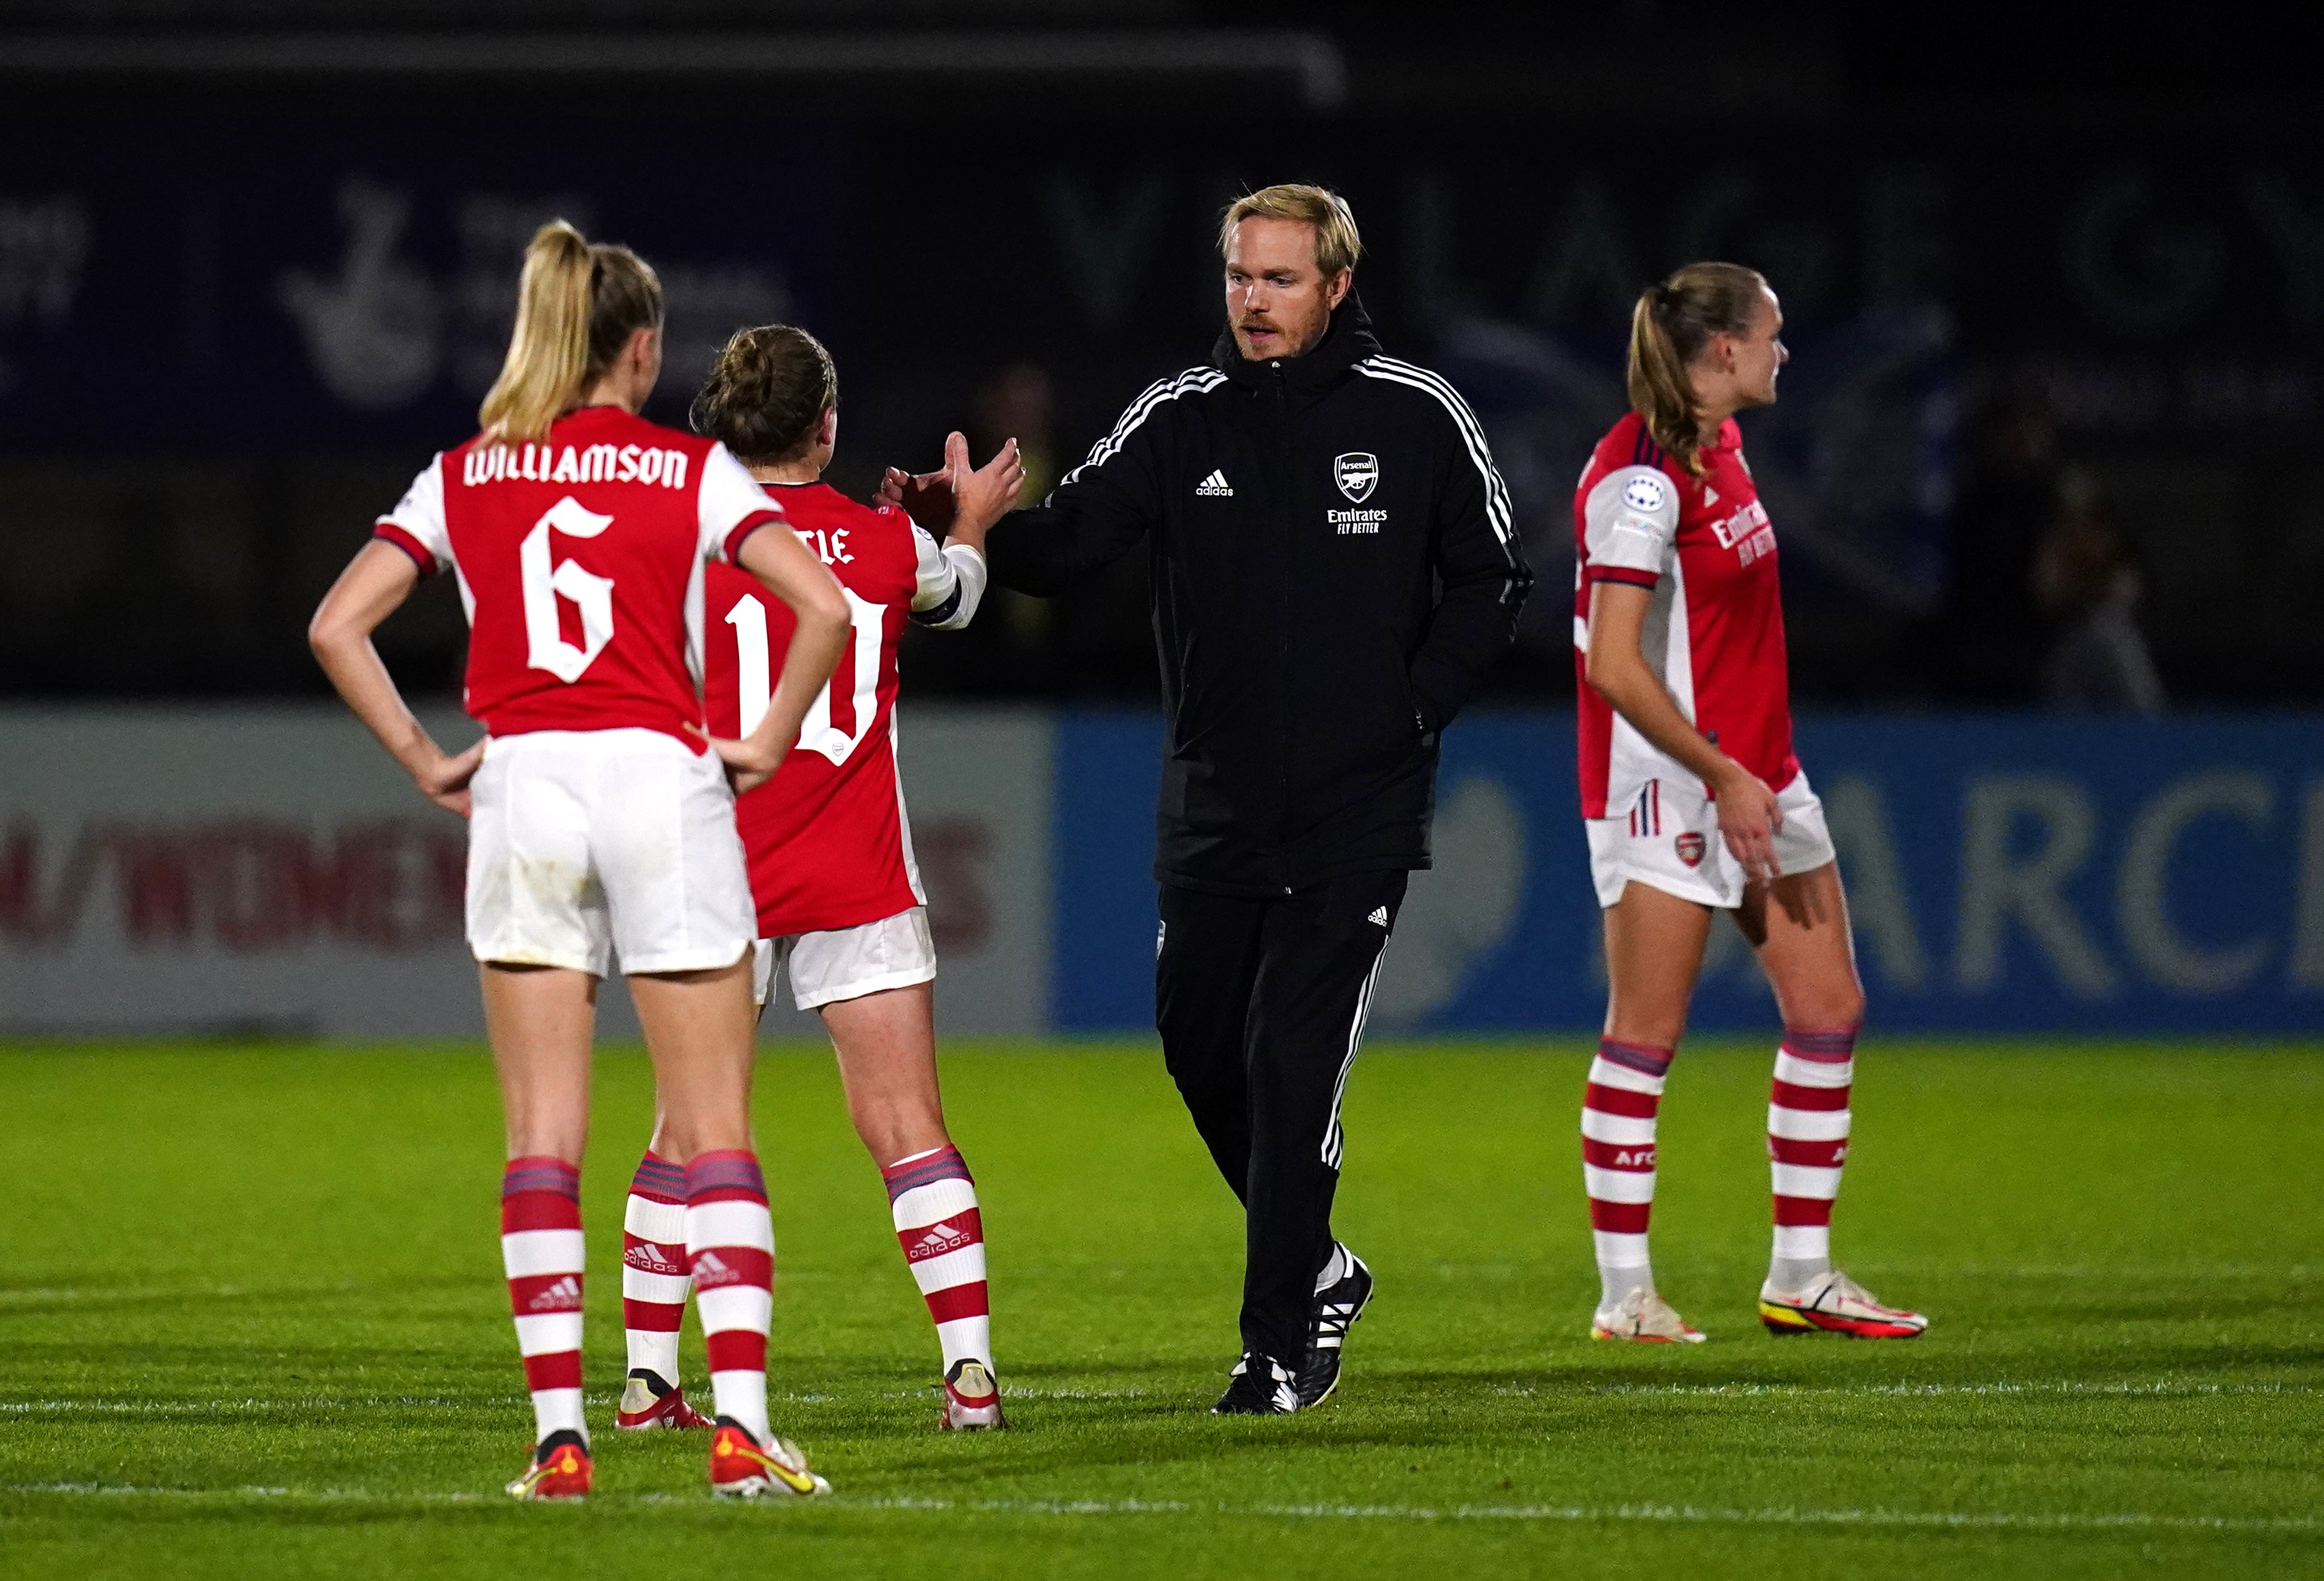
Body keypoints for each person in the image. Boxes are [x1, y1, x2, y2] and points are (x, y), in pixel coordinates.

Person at [895, 184, 1531, 1413]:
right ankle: (1322, 1267)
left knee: (1292, 1064)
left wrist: (1413, 706)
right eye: (1240, 277)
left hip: (1358, 806)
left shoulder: (1415, 415)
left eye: (1280, 279)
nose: (1252, 300)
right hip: (1216, 806)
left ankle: (1276, 1344)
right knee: (1198, 1048)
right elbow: (1071, 543)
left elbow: (1491, 575)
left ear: (1336, 286)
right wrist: (965, 527)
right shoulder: (1180, 419)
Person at [308, 221, 852, 1500]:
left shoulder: (464, 474)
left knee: (541, 1139)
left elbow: (337, 624)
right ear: (644, 344)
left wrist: (425, 758)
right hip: (662, 780)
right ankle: (741, 1429)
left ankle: (560, 1439)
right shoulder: (690, 472)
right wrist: (766, 740)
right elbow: (821, 607)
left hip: (526, 786)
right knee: (713, 1125)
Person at [609, 323, 1023, 1436]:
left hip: (710, 870)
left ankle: (651, 1385)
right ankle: (971, 1379)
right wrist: (966, 517)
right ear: (827, 425)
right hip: (855, 869)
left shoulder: (669, 541)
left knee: (683, 1130)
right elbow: (964, 592)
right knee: (907, 1126)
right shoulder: (882, 546)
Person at [1572, 261, 1928, 1344]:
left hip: (1762, 779)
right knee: (1644, 1035)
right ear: (1720, 350)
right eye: (1771, 335)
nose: (1783, 352)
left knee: (1828, 1012)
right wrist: (1719, 773)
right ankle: (1625, 1296)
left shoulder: (1719, 450)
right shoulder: (1637, 478)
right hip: (1672, 785)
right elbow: (1614, 667)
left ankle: (1802, 1277)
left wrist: (1752, 773)